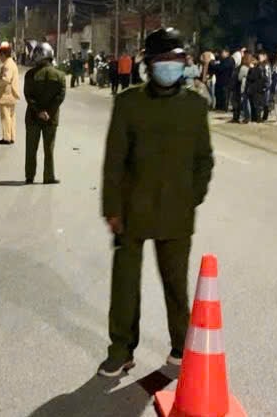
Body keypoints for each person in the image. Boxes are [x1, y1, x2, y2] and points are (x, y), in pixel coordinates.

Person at [98, 27, 213, 377]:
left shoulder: (195, 105)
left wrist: (192, 197)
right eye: (162, 60)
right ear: (149, 64)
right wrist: (112, 208)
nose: (169, 66)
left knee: (177, 286)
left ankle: (181, 348)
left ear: (183, 63)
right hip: (131, 211)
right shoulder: (129, 102)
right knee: (125, 287)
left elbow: (203, 160)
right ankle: (121, 350)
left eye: (175, 60)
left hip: (177, 214)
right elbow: (114, 160)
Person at [24, 42, 66, 184]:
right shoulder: (60, 75)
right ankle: (49, 177)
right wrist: (48, 112)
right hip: (51, 119)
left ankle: (29, 176)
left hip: (32, 117)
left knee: (31, 148)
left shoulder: (30, 74)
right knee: (49, 149)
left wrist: (39, 111)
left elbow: (28, 96)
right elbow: (60, 97)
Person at [0, 42, 21, 144]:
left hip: (7, 94)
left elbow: (6, 79)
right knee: (11, 117)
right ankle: (11, 137)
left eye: (0, 55)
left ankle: (6, 138)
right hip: (12, 94)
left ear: (4, 55)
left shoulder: (7, 65)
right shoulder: (12, 63)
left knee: (5, 117)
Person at [244, 54, 267, 123]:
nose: (252, 61)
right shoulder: (255, 68)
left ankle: (258, 118)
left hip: (257, 89)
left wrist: (251, 69)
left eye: (254, 60)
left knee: (257, 105)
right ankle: (254, 118)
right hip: (252, 89)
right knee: (253, 104)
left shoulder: (259, 68)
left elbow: (253, 77)